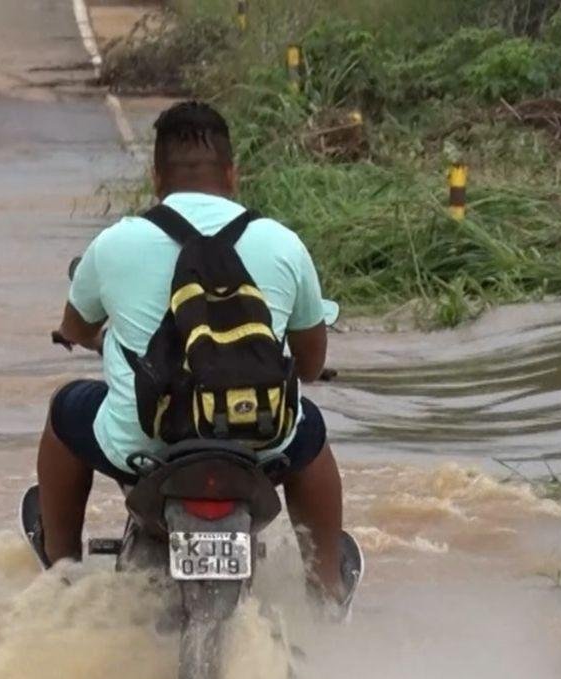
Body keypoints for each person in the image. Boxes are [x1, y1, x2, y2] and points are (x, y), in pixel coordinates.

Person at [37, 100, 345, 601]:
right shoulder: (283, 245)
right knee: (309, 431)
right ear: (232, 173)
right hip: (259, 442)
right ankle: (327, 588)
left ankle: (61, 571)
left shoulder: (116, 243)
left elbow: (75, 325)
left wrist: (91, 337)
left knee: (63, 413)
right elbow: (308, 364)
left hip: (143, 445)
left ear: (156, 178)